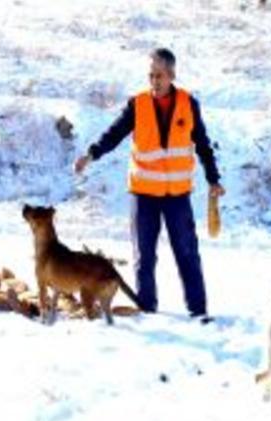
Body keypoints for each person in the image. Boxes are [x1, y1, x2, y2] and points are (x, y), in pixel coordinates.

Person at [75, 48, 225, 323]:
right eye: (150, 75)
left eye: (159, 75)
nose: (153, 80)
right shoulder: (138, 104)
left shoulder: (188, 104)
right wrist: (92, 153)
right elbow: (115, 133)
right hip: (143, 193)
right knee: (144, 255)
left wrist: (213, 179)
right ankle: (147, 308)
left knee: (187, 253)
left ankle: (199, 311)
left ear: (171, 75)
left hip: (177, 195)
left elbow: (202, 144)